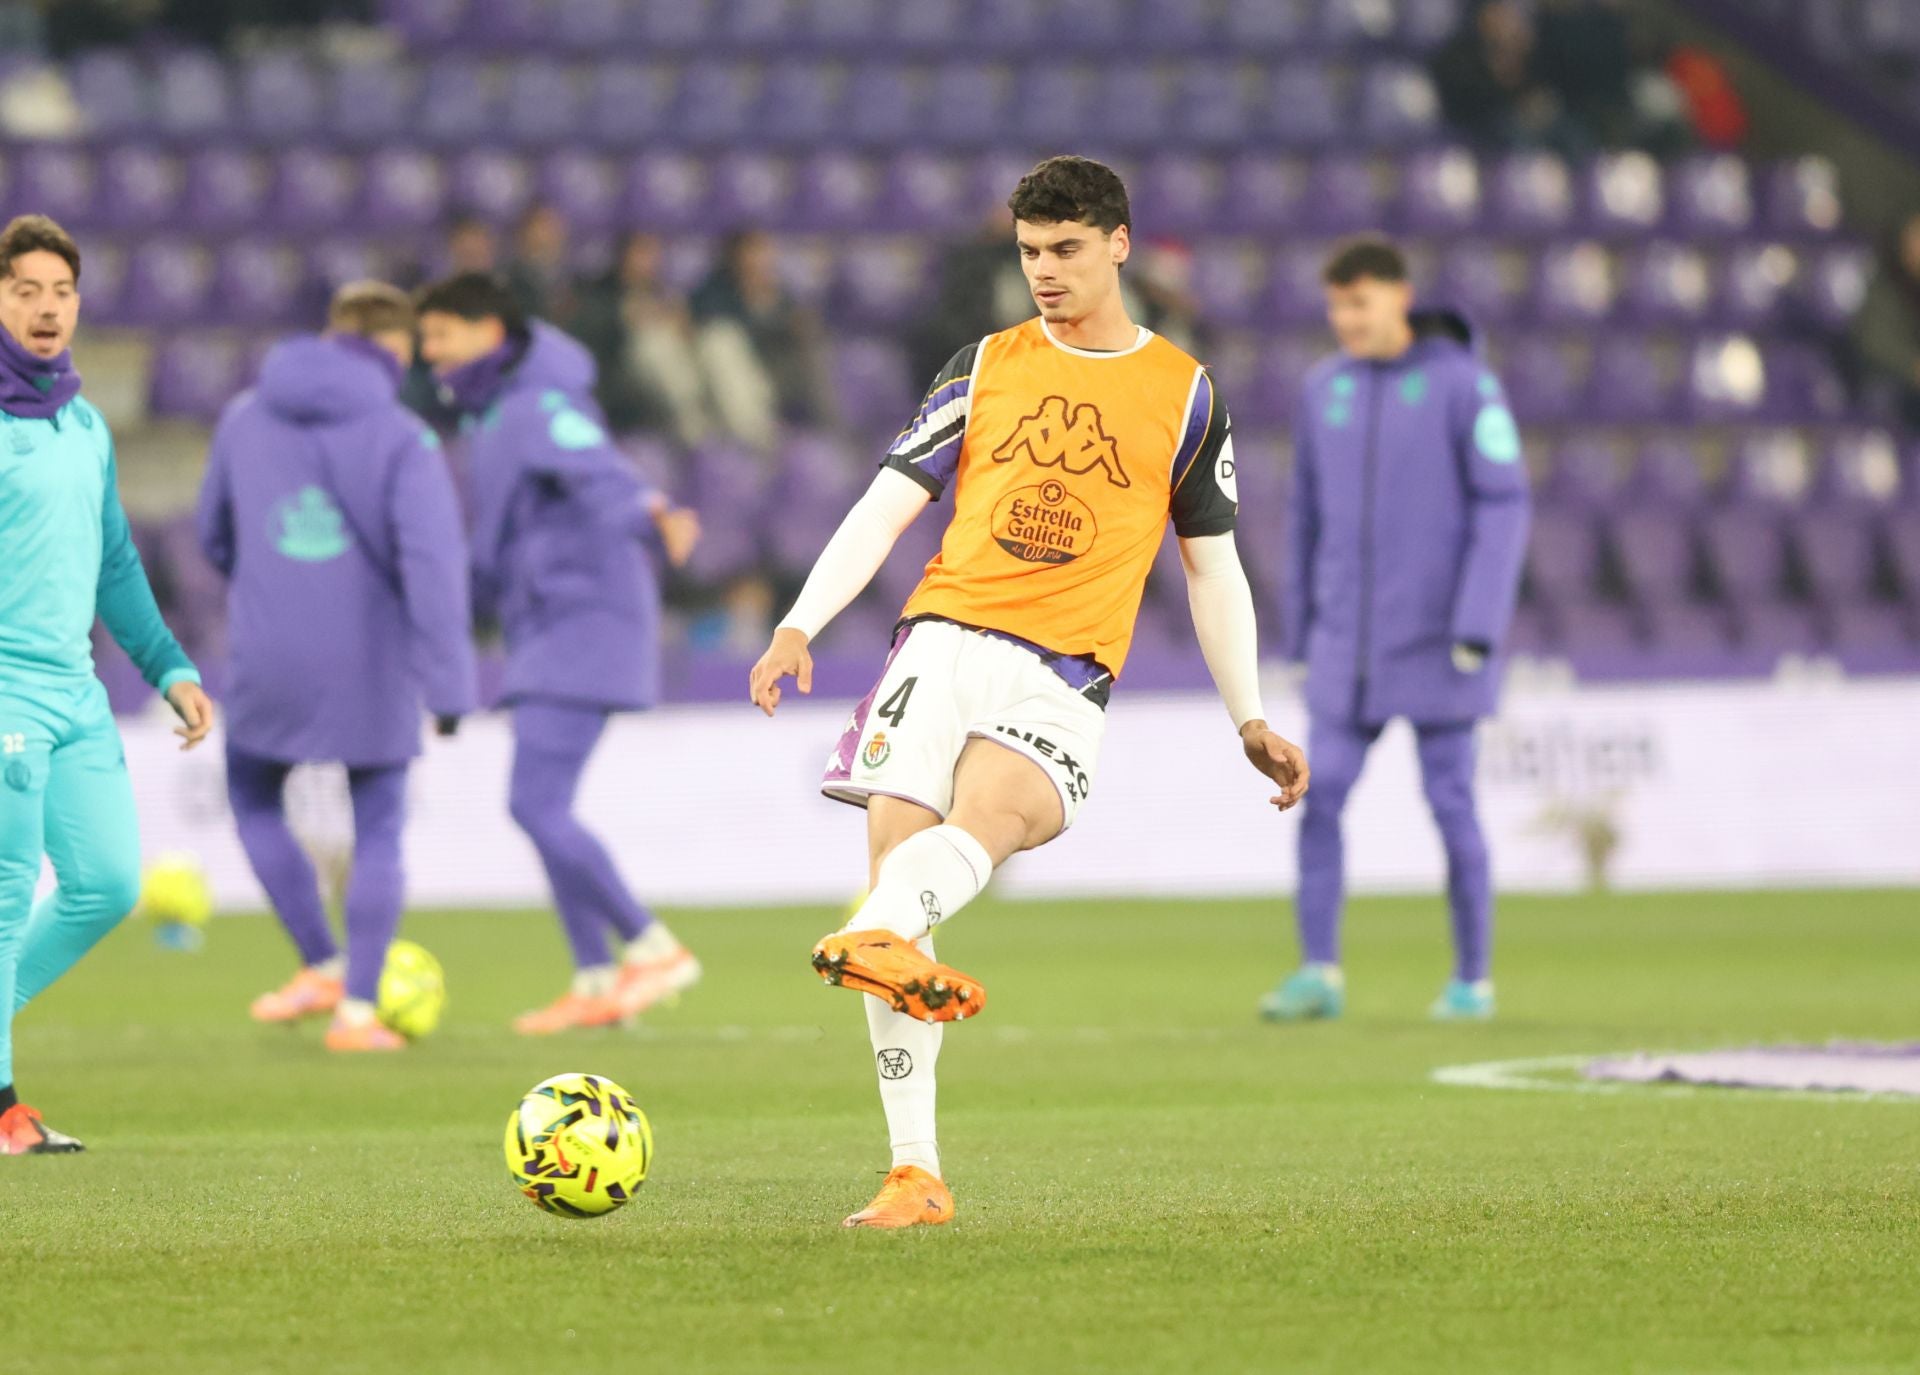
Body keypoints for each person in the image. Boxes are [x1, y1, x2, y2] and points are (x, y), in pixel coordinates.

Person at [749, 156, 1309, 1229]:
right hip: (936, 645)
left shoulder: (1186, 393)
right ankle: (914, 1173)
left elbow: (1213, 567)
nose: (1044, 272)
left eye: (1063, 250)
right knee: (893, 908)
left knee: (971, 838)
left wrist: (1248, 712)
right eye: (1028, 253)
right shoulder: (983, 364)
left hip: (1061, 664)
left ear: (1118, 244)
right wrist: (798, 623)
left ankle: (884, 946)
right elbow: (885, 501)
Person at [415, 272, 703, 1034]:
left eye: (441, 335)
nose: (430, 353)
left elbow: (601, 470)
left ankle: (650, 944)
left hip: (583, 621)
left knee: (533, 804)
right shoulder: (498, 414)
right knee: (547, 807)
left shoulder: (535, 405)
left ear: (489, 332)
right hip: (551, 620)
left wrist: (654, 509)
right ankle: (596, 976)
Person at [195, 281, 477, 1052]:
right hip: (370, 656)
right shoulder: (403, 436)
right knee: (379, 820)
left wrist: (274, 584)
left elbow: (212, 534)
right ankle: (356, 1011)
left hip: (266, 650)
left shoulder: (243, 416)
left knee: (253, 792)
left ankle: (317, 958)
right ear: (395, 351)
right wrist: (450, 687)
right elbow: (433, 568)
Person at [1264, 236, 1530, 1025]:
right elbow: (1305, 514)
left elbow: (1504, 505)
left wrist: (1478, 624)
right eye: (1337, 305)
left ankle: (1472, 979)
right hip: (1348, 648)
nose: (1347, 319)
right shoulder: (1324, 390)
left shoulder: (1465, 386)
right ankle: (1319, 971)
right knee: (1318, 798)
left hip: (1442, 642)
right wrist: (1302, 631)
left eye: (1360, 302)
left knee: (1451, 804)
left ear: (1399, 297)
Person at [0, 213, 215, 1153]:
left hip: (76, 691)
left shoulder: (84, 423)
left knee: (107, 883)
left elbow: (115, 563)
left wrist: (169, 667)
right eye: (24, 293)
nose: (47, 311)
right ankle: (4, 1108)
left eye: (61, 294)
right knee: (5, 894)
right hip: (4, 688)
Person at [691, 229, 837, 449]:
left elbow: (791, 324)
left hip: (773, 371)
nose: (760, 260)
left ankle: (831, 430)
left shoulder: (777, 290)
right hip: (738, 377)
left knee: (813, 352)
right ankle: (757, 440)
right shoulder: (715, 289)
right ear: (736, 256)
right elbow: (718, 327)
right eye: (753, 252)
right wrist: (755, 304)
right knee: (722, 344)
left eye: (763, 252)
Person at [570, 230, 713, 443]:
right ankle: (695, 436)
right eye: (639, 253)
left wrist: (680, 324)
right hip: (620, 374)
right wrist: (625, 317)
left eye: (651, 255)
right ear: (623, 255)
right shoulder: (601, 292)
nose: (645, 262)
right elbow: (588, 332)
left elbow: (690, 336)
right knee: (652, 344)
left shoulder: (663, 294)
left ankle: (721, 428)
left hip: (680, 373)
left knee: (716, 341)